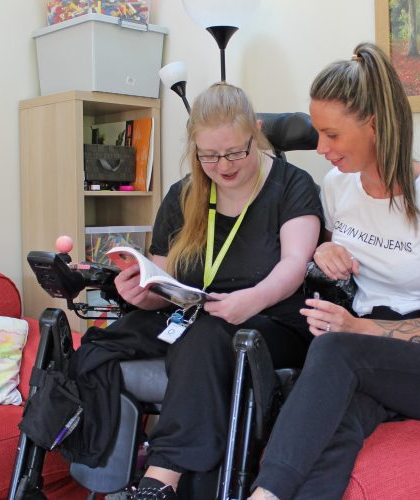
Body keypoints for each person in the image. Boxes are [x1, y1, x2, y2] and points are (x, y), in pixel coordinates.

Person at [249, 42, 420, 500]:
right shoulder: (338, 187)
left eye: (332, 135)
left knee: (335, 351)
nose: (321, 149)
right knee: (338, 422)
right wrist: (323, 253)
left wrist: (355, 327)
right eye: (317, 133)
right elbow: (339, 252)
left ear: (372, 125)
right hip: (367, 353)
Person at [80, 82, 322, 500]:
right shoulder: (184, 195)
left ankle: (161, 479)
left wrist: (251, 300)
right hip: (195, 316)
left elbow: (294, 265)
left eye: (234, 153)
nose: (222, 166)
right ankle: (97, 468)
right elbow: (164, 280)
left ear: (256, 133)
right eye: (208, 155)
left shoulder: (291, 185)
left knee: (206, 336)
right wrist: (142, 293)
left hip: (271, 320)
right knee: (101, 343)